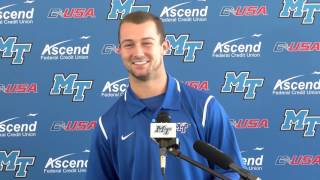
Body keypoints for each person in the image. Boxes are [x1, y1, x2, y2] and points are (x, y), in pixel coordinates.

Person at [86, 11, 243, 180]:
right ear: (119, 51)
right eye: (129, 45)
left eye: (147, 43)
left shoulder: (204, 108)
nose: (138, 53)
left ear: (164, 47)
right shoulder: (108, 125)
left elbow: (232, 172)